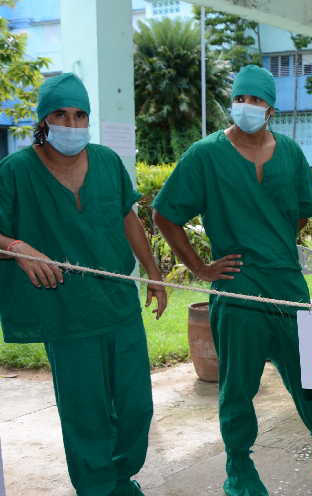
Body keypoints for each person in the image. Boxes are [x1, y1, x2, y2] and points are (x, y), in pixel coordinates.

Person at [152, 65, 312, 495]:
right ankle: (239, 468)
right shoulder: (205, 155)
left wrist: (274, 246)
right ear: (232, 103)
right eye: (241, 99)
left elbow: (301, 210)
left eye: (256, 100)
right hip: (237, 285)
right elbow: (164, 215)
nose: (247, 107)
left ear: (270, 109)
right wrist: (201, 268)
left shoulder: (290, 153)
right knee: (239, 384)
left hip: (286, 284)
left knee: (308, 374)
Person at [0, 73, 166, 496]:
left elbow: (127, 217)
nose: (71, 125)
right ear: (44, 119)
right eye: (61, 115)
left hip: (117, 306)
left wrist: (154, 272)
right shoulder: (16, 171)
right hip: (65, 313)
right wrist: (17, 246)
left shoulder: (107, 161)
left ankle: (121, 475)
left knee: (136, 407)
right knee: (85, 412)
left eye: (80, 115)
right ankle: (97, 487)